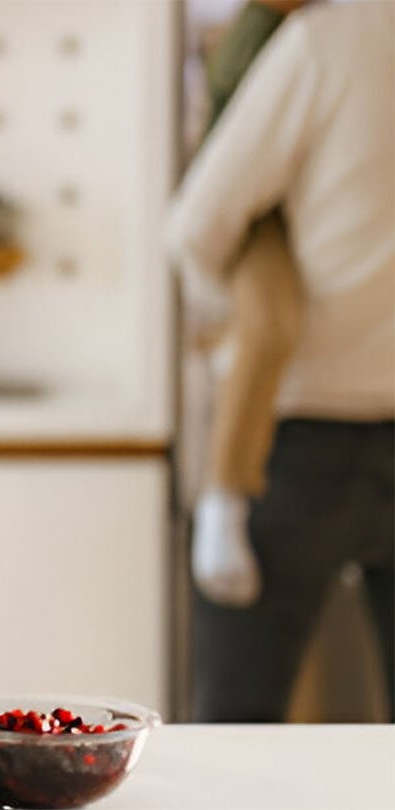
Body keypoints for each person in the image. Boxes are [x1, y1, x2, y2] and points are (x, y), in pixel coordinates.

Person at [165, 0, 394, 722]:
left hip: (293, 440)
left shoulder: (335, 40)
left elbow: (197, 226)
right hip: (304, 432)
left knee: (236, 730)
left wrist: (246, 315)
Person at [180, 0, 309, 608]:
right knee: (269, 326)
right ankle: (223, 497)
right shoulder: (267, 38)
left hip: (285, 203)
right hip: (260, 217)